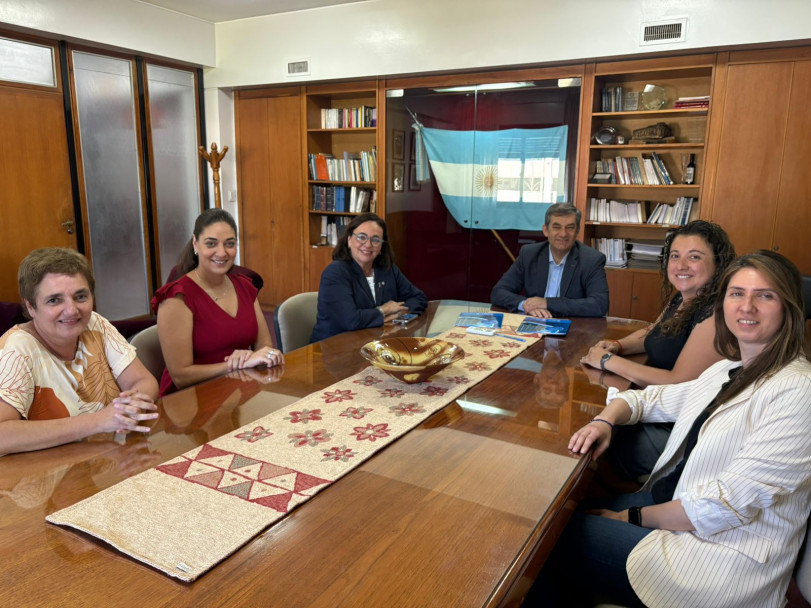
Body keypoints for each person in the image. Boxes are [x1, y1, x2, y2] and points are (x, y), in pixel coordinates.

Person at [534, 251, 811, 608]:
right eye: (737, 293)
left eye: (765, 295)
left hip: (716, 563)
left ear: (789, 308)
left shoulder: (799, 389)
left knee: (544, 539)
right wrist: (605, 418)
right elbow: (650, 400)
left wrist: (631, 518)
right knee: (558, 514)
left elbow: (724, 504)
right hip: (681, 512)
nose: (747, 306)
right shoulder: (730, 369)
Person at [579, 220, 736, 479]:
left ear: (718, 263)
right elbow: (656, 331)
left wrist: (607, 360)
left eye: (694, 257)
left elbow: (677, 381)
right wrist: (618, 346)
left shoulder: (715, 314)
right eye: (675, 256)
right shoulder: (684, 297)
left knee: (599, 439)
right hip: (661, 408)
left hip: (682, 430)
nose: (680, 265)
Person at [0, 248, 159, 456]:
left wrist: (128, 409)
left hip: (105, 459)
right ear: (30, 307)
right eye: (54, 300)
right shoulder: (16, 350)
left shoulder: (95, 324)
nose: (72, 310)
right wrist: (100, 421)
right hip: (48, 475)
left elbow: (144, 382)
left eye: (80, 296)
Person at [153, 209, 282, 396]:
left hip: (237, 392)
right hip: (189, 404)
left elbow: (265, 346)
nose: (221, 253)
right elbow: (181, 376)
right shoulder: (177, 297)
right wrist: (235, 365)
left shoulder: (245, 286)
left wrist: (264, 356)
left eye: (229, 244)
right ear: (195, 244)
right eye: (211, 244)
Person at [310, 212, 427, 342]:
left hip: (373, 343)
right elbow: (351, 321)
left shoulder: (388, 270)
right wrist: (384, 310)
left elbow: (419, 298)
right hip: (334, 349)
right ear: (349, 240)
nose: (368, 244)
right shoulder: (335, 273)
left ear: (381, 246)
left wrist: (397, 313)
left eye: (375, 240)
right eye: (361, 237)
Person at [490, 203, 609, 318]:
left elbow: (599, 304)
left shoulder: (591, 260)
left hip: (573, 328)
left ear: (577, 231)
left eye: (570, 228)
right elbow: (499, 292)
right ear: (545, 230)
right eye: (556, 227)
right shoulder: (529, 254)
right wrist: (527, 305)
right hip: (534, 324)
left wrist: (547, 303)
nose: (563, 234)